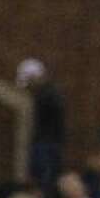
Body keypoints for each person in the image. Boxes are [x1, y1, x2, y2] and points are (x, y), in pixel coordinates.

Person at [16, 58, 66, 191]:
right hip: (46, 145)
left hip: (46, 146)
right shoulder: (48, 95)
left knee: (44, 182)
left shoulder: (47, 97)